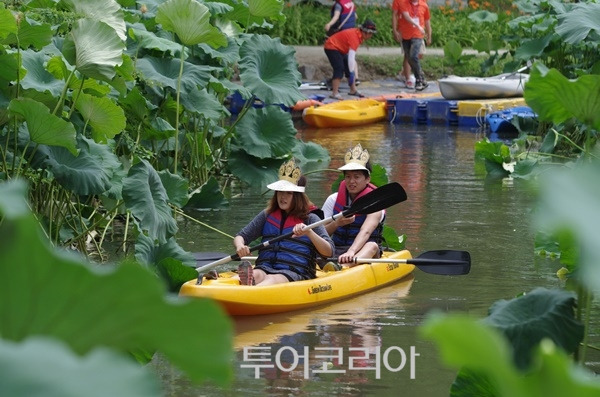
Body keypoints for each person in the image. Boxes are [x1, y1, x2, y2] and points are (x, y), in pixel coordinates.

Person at [233, 159, 334, 286]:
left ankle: (250, 292)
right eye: (280, 191)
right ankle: (249, 281)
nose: (282, 196)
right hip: (265, 267)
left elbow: (329, 251)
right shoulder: (267, 215)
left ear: (297, 196)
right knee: (257, 274)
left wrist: (309, 232)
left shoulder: (311, 219)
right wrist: (240, 246)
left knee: (272, 279)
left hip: (294, 272)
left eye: (288, 193)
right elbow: (241, 236)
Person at [321, 143, 384, 266]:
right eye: (348, 177)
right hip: (337, 249)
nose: (351, 181)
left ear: (367, 179)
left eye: (356, 177)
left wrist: (351, 251)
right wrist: (336, 223)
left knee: (372, 245)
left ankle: (344, 267)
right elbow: (322, 233)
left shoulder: (376, 203)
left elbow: (366, 231)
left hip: (364, 251)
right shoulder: (333, 200)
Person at [323, 19, 377, 100]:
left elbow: (350, 58)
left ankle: (353, 90)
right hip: (331, 47)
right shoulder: (355, 37)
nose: (371, 36)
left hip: (340, 48)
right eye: (371, 34)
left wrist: (351, 71)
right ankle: (335, 93)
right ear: (366, 32)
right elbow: (351, 57)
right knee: (339, 68)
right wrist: (352, 73)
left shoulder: (359, 35)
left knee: (348, 67)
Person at [392, 0, 432, 91]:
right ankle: (421, 78)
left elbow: (427, 21)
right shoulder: (403, 3)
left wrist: (429, 35)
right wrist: (395, 30)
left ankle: (418, 80)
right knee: (409, 58)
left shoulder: (424, 5)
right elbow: (406, 16)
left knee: (414, 56)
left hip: (417, 35)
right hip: (405, 34)